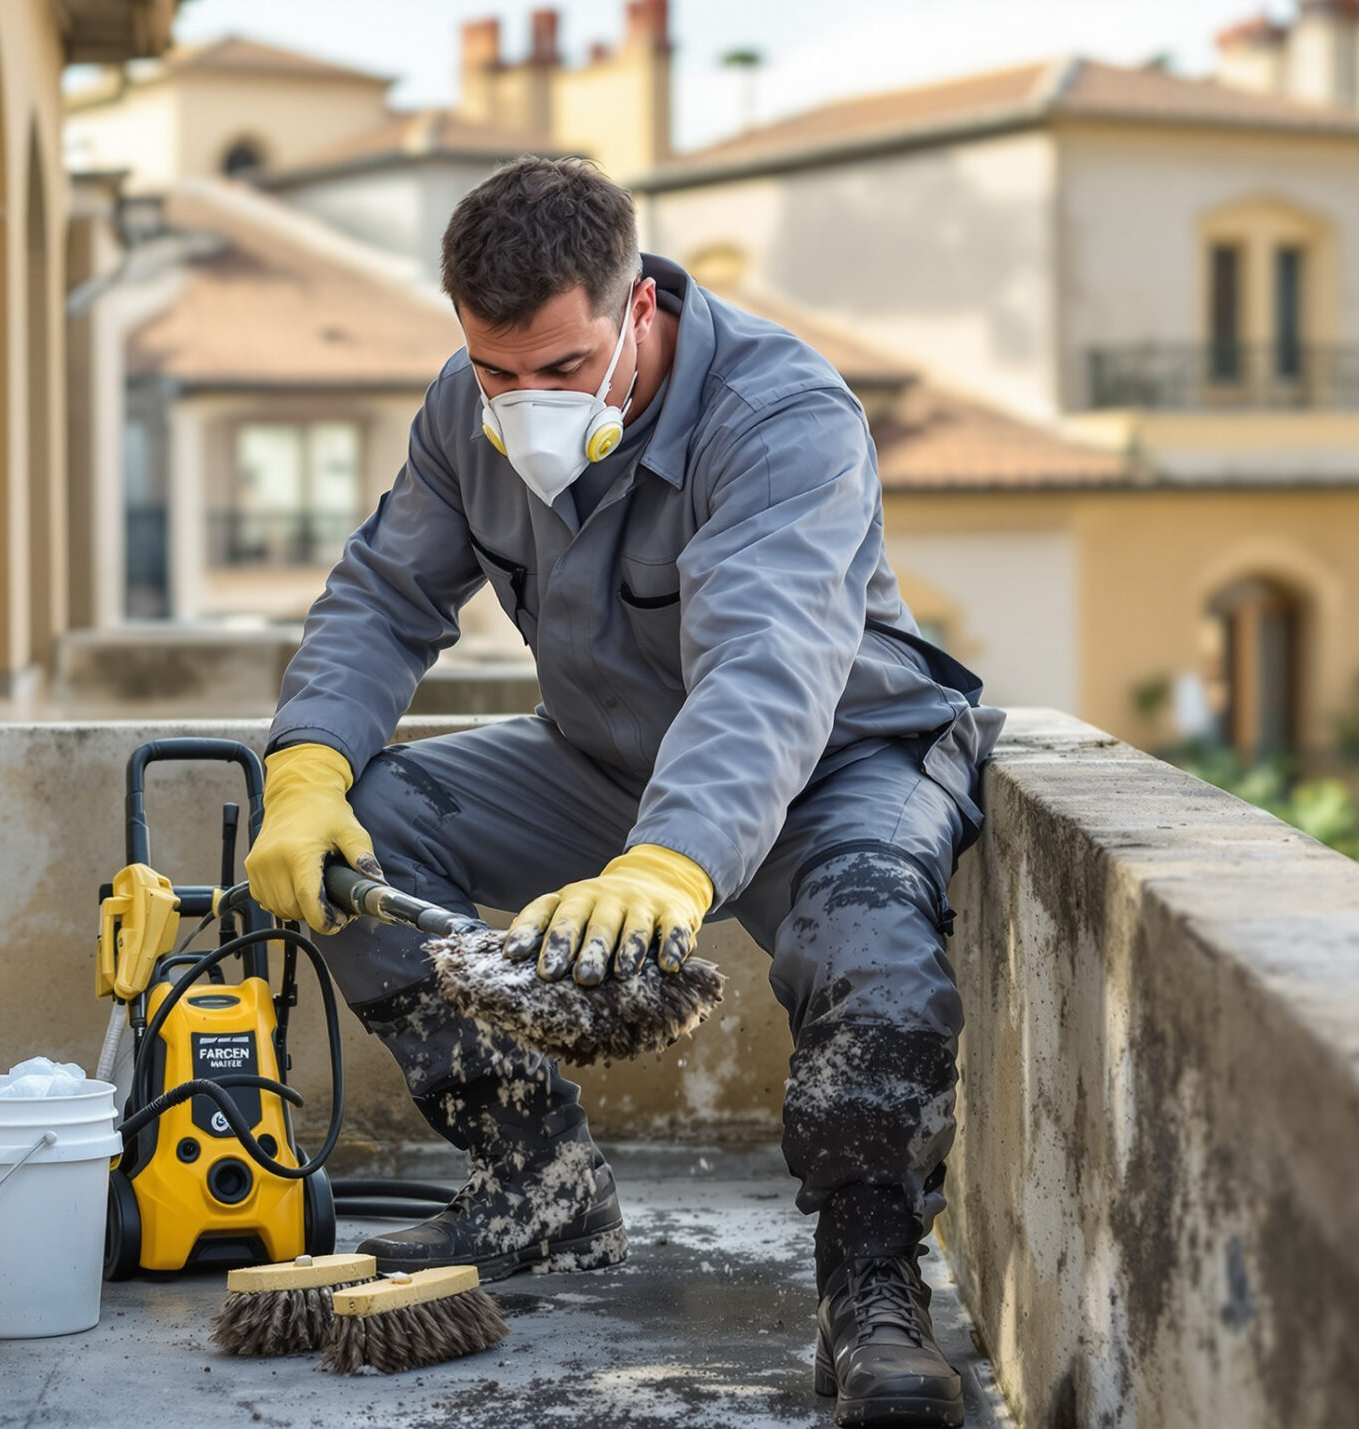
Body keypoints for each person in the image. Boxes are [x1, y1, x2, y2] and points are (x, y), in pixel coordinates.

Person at [244, 157, 1001, 1428]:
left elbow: (766, 664)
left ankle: (872, 1285)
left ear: (636, 306)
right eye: (496, 371)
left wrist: (669, 863)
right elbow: (383, 597)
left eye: (559, 367)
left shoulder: (779, 411)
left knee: (873, 950)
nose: (525, 401)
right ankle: (535, 1179)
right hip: (605, 763)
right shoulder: (463, 413)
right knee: (366, 841)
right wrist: (307, 768)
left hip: (833, 763)